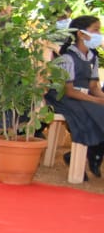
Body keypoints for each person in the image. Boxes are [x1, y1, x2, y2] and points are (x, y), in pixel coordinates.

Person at [50, 16, 104, 178]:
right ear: (81, 34)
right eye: (95, 30)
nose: (99, 34)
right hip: (64, 98)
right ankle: (90, 153)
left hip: (83, 96)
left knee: (98, 110)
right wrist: (96, 100)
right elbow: (69, 91)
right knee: (94, 113)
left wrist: (101, 98)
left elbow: (94, 87)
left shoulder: (92, 57)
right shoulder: (68, 58)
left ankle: (92, 152)